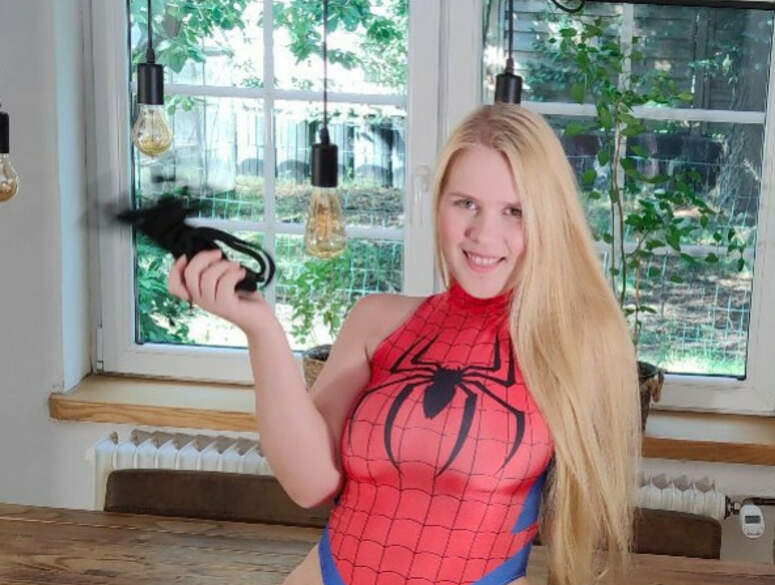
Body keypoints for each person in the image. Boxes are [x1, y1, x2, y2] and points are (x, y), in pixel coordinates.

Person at [167, 104, 641, 585]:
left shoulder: (575, 346)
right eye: (466, 204)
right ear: (438, 204)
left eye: (514, 211)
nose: (483, 234)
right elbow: (309, 484)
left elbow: (577, 525)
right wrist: (261, 330)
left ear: (551, 219)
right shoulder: (376, 321)